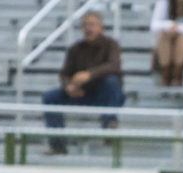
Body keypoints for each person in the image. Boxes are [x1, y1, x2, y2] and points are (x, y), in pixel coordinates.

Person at [42, 10, 125, 155]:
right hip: (82, 93)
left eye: (92, 24)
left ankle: (109, 127)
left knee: (111, 82)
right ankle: (58, 145)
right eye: (85, 25)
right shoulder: (75, 49)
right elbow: (65, 74)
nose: (88, 28)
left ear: (101, 27)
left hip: (106, 95)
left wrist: (90, 74)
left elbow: (114, 66)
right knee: (50, 97)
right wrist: (68, 87)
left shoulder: (111, 45)